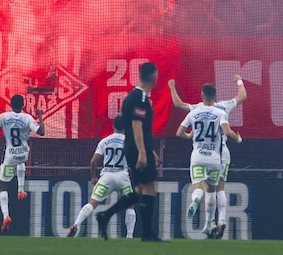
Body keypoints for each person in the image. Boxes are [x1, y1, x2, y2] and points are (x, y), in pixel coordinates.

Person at [169, 75, 247, 239]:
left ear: (202, 95)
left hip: (199, 154)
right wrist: (239, 81)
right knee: (220, 188)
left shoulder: (196, 109)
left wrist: (172, 87)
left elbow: (178, 104)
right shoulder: (223, 108)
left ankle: (208, 222)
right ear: (216, 95)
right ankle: (220, 220)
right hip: (220, 154)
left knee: (205, 189)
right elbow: (242, 97)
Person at [96, 62, 163, 242]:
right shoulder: (141, 98)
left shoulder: (131, 97)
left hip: (133, 146)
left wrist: (149, 151)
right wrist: (143, 152)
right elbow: (136, 125)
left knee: (140, 190)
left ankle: (106, 215)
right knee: (150, 188)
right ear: (154, 76)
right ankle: (147, 234)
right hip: (137, 147)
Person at [67, 115, 136, 238]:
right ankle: (129, 236)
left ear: (113, 126)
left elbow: (93, 161)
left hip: (107, 176)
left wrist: (93, 177)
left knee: (92, 203)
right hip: (122, 176)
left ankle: (76, 224)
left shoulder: (105, 141)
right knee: (130, 206)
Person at [0, 94, 45, 233]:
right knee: (20, 162)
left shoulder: (4, 116)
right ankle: (20, 189)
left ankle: (6, 216)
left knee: (3, 186)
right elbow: (41, 132)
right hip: (24, 154)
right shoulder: (27, 118)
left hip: (10, 155)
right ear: (23, 105)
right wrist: (40, 116)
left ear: (10, 105)